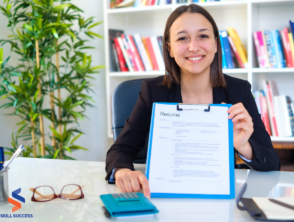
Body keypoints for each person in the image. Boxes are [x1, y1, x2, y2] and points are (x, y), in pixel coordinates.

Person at [105, 4, 280, 199]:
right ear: (170, 48)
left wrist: (242, 145)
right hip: (165, 197)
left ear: (215, 44)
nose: (193, 47)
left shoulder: (239, 91)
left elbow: (272, 162)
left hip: (219, 200)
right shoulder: (153, 92)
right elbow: (121, 149)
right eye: (182, 38)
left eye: (203, 36)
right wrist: (122, 172)